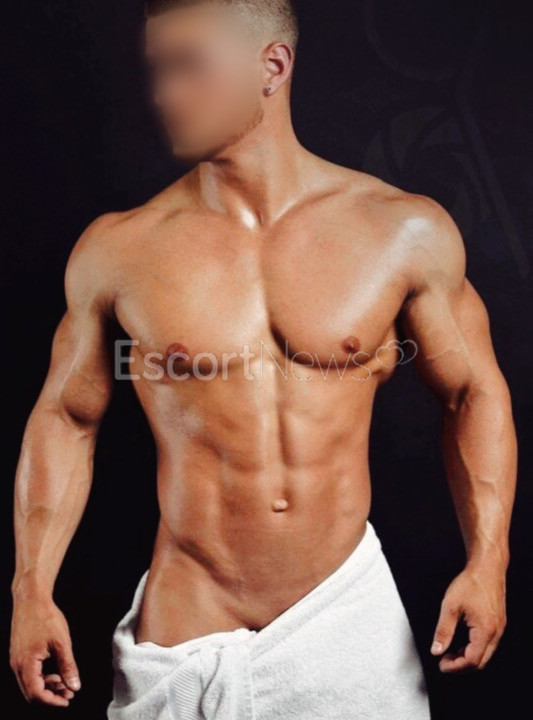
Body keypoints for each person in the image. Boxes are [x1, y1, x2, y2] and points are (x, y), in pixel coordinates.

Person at [10, 1, 517, 717]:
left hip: (345, 620)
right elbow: (66, 417)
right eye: (157, 69)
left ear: (271, 67)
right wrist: (31, 589)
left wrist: (488, 561)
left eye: (188, 67)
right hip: (185, 629)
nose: (163, 93)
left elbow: (471, 393)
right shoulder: (121, 248)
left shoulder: (400, 230)